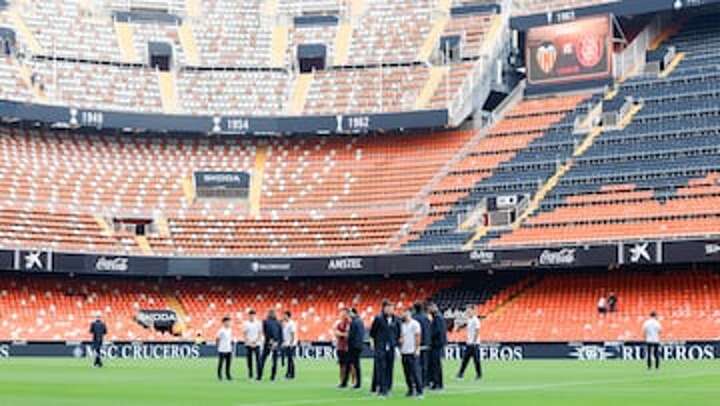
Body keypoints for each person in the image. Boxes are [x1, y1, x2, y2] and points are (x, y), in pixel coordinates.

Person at [370, 300, 400, 397]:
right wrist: (375, 343)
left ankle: (388, 387)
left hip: (391, 346)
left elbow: (398, 332)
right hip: (381, 346)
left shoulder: (396, 319)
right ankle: (381, 388)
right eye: (388, 307)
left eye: (392, 308)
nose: (391, 310)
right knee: (381, 367)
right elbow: (372, 333)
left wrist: (396, 345)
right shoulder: (378, 318)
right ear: (384, 308)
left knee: (390, 367)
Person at [399, 308, 424, 398]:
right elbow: (401, 336)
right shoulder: (402, 325)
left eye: (404, 312)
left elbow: (418, 336)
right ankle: (410, 389)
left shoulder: (415, 324)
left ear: (409, 313)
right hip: (404, 351)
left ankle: (419, 391)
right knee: (407, 373)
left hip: (412, 351)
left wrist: (416, 349)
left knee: (415, 372)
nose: (403, 314)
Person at [342, 307, 365, 389]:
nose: (349, 315)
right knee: (351, 364)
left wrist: (348, 342)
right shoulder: (360, 321)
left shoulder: (354, 322)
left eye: (350, 313)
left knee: (354, 365)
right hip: (358, 346)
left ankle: (356, 383)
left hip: (353, 346)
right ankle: (345, 382)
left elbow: (351, 335)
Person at [457, 306, 482, 380]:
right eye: (467, 311)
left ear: (473, 311)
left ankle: (479, 374)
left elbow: (477, 331)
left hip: (474, 344)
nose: (468, 312)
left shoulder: (476, 320)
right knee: (465, 359)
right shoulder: (469, 320)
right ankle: (460, 374)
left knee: (476, 360)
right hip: (469, 343)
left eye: (469, 311)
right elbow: (465, 326)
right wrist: (459, 328)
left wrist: (474, 341)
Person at [258, 309, 283, 381]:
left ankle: (259, 376)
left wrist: (270, 341)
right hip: (275, 343)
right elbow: (281, 335)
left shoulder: (265, 321)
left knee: (262, 360)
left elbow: (266, 332)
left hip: (268, 342)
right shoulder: (278, 323)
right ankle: (273, 377)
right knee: (274, 361)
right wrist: (278, 343)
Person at [428, 302, 447, 390]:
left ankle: (437, 383)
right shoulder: (438, 317)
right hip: (438, 344)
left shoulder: (437, 318)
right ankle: (437, 383)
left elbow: (437, 331)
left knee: (436, 364)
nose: (429, 310)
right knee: (436, 364)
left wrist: (429, 336)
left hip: (436, 344)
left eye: (430, 308)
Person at [412, 301, 432, 388]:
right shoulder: (426, 317)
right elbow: (429, 331)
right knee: (425, 364)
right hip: (426, 344)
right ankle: (425, 382)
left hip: (415, 344)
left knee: (416, 365)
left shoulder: (413, 318)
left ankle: (416, 381)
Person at [334, 308, 352, 388]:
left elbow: (348, 335)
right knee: (341, 365)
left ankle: (353, 381)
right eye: (341, 313)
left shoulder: (350, 323)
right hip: (340, 347)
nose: (342, 315)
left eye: (344, 313)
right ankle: (341, 381)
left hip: (348, 347)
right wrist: (341, 334)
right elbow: (335, 333)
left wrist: (340, 334)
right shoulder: (339, 323)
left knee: (350, 365)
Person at [243, 309, 262, 379]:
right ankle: (250, 372)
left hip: (257, 344)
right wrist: (249, 342)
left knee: (258, 360)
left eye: (253, 315)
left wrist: (255, 341)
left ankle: (258, 374)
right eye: (250, 315)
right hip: (248, 344)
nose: (252, 316)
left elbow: (260, 333)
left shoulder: (258, 323)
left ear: (255, 315)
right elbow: (244, 334)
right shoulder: (246, 323)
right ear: (249, 316)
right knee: (249, 360)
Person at [216, 316, 234, 381]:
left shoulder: (230, 330)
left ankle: (228, 375)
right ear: (224, 322)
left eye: (229, 322)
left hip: (228, 349)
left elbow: (230, 339)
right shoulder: (221, 330)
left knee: (228, 363)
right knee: (221, 363)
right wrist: (218, 346)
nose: (228, 323)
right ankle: (219, 375)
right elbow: (217, 339)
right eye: (227, 322)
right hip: (222, 349)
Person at [282, 311, 298, 380]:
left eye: (284, 316)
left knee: (290, 359)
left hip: (291, 344)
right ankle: (290, 374)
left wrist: (291, 343)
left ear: (288, 316)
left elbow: (293, 334)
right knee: (289, 359)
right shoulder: (286, 324)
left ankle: (290, 374)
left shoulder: (291, 323)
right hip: (287, 343)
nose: (283, 317)